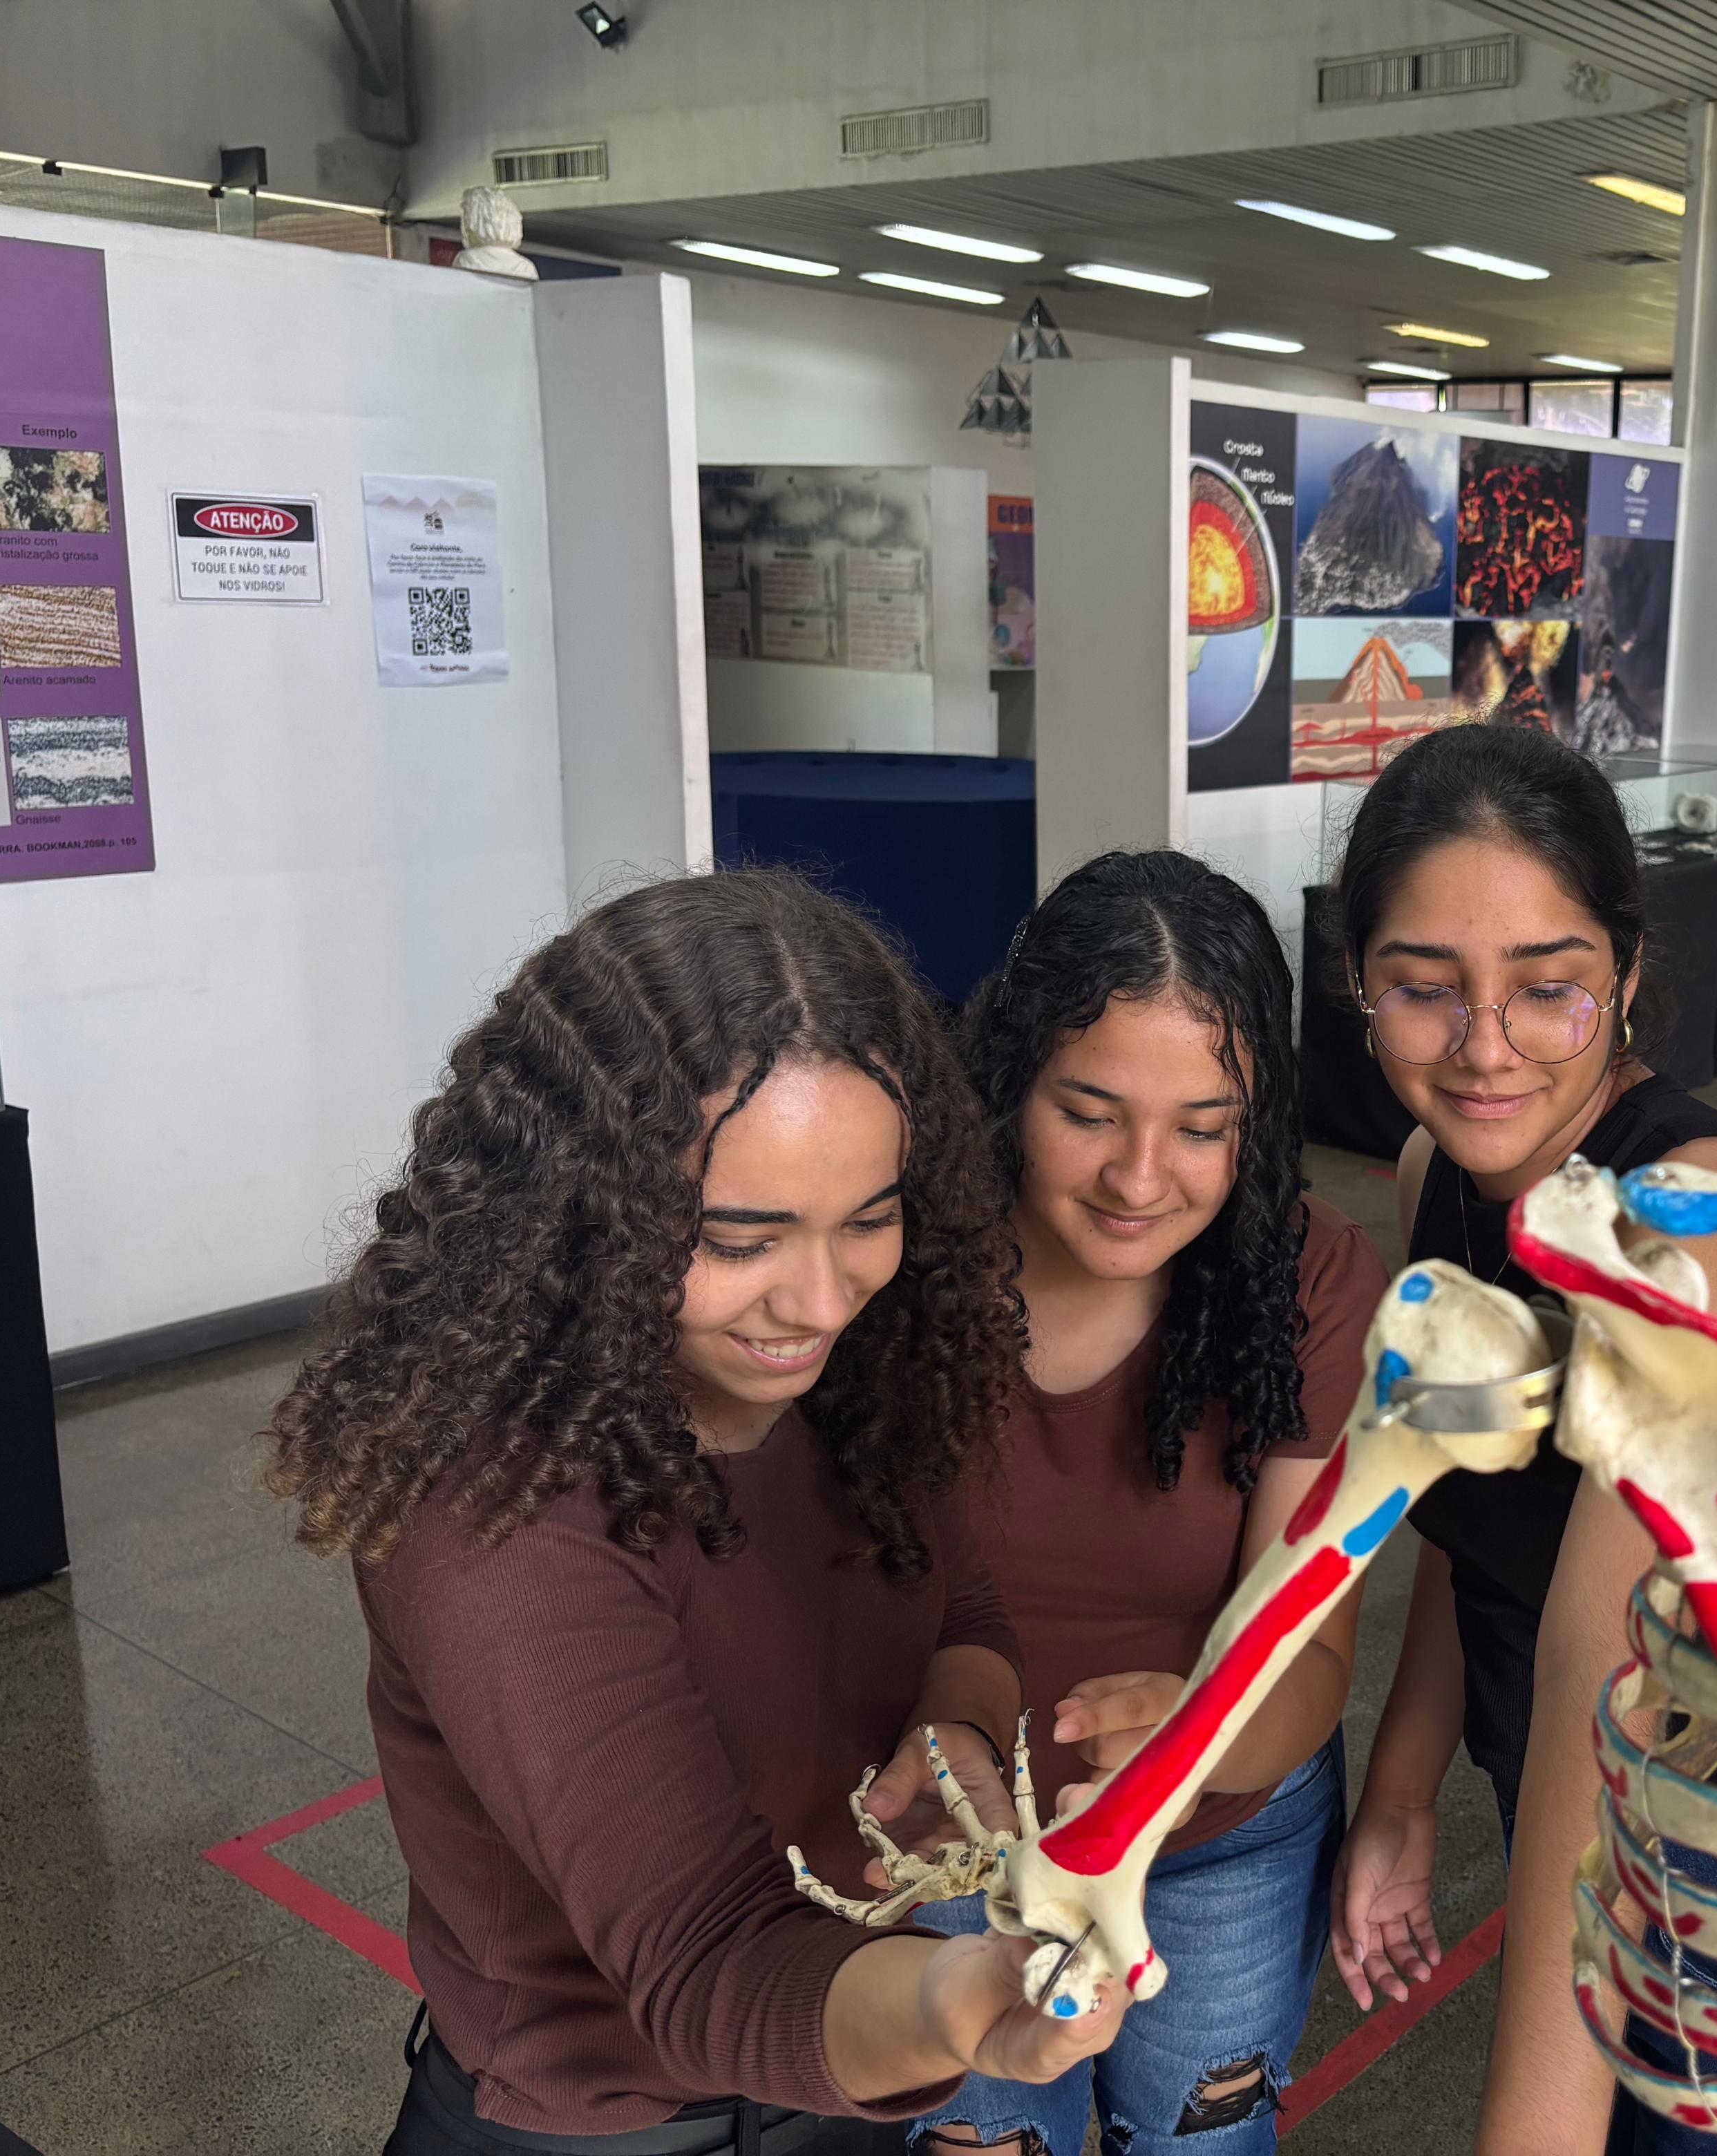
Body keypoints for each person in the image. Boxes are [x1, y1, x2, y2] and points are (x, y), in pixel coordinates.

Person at [263, 871, 1121, 2155]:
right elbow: (706, 1959)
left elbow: (969, 1612)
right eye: (738, 1240)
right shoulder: (500, 1510)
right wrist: (961, 2001)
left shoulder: (860, 1381)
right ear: (587, 1212)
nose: (821, 1303)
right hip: (600, 2125)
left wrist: (952, 1739)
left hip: (829, 2069)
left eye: (870, 1220)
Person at [1321, 724, 1717, 2156]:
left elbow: (1612, 1686)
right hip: (1563, 1795)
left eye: (1549, 991)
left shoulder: (1700, 1239)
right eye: (1424, 989)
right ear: (1358, 985)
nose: (1484, 1048)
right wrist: (1402, 1789)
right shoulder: (1435, 1171)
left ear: (1629, 975)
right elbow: (1473, 1508)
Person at [908, 851, 1391, 2156]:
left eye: (1202, 1128)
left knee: (1198, 2142)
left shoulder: (1306, 1284)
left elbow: (1312, 1653)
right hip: (962, 1837)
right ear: (1011, 1078)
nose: (1138, 1177)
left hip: (1222, 1840)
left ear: (1257, 1124)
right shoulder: (898, 1258)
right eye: (1090, 1112)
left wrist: (1196, 1743)